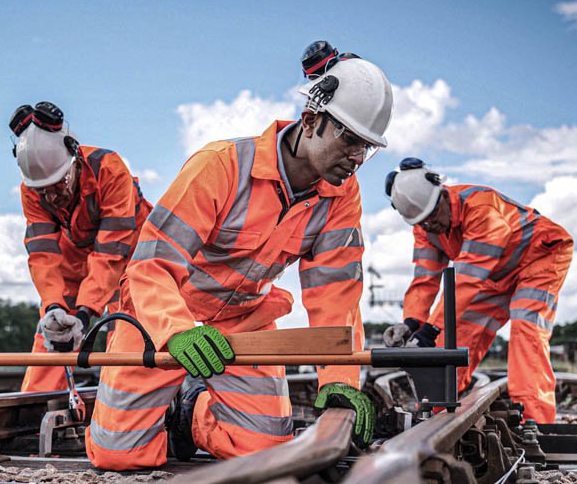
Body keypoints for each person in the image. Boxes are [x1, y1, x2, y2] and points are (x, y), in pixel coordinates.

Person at [85, 56, 394, 470]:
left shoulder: (341, 197)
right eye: (349, 140)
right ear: (309, 121)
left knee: (263, 453)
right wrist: (177, 331)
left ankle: (189, 410)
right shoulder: (221, 166)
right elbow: (153, 263)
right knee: (117, 454)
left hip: (243, 322)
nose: (356, 157)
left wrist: (339, 382)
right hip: (159, 319)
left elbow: (336, 297)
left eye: (366, 147)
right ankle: (154, 409)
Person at [383, 158, 573, 423]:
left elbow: (468, 278)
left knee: (525, 329)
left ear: (443, 196)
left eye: (433, 216)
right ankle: (440, 411)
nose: (431, 226)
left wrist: (430, 328)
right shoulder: (425, 229)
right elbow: (425, 280)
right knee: (453, 336)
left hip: (539, 257)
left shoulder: (481, 208)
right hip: (494, 274)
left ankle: (535, 422)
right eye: (423, 222)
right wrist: (412, 322)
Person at [8, 101, 153, 392]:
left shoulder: (109, 170)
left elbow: (111, 253)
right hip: (77, 255)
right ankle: (35, 406)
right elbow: (42, 254)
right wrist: (53, 306)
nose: (53, 197)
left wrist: (86, 312)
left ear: (74, 159)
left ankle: (120, 398)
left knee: (128, 329)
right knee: (54, 331)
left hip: (135, 255)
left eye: (59, 185)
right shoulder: (33, 190)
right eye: (43, 191)